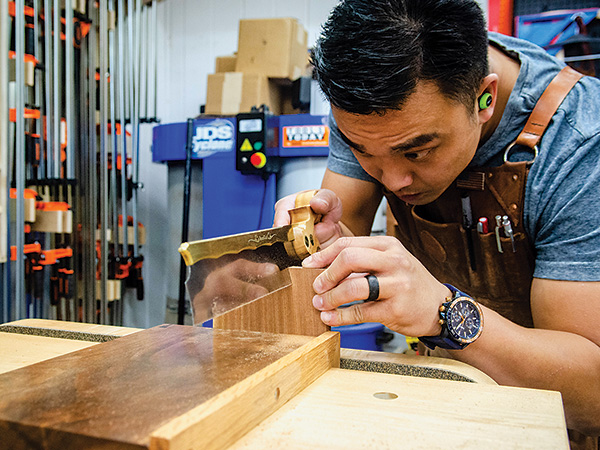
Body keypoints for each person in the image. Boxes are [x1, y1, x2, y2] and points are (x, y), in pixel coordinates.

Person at [273, 0, 600, 447]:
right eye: (363, 151)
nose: (393, 180)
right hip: (451, 397)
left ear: (483, 98)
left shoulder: (581, 146)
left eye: (417, 152)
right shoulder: (374, 114)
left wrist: (444, 313)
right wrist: (317, 245)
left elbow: (592, 394)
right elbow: (338, 231)